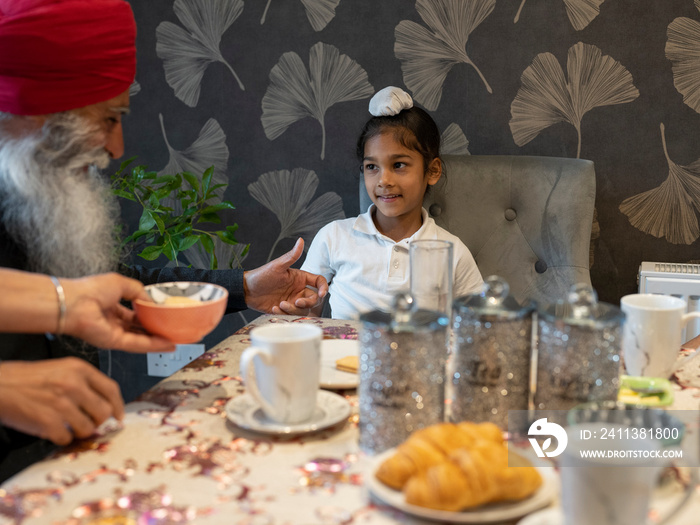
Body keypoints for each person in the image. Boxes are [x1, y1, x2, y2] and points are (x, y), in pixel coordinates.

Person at [0, 0, 326, 481]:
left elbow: (110, 285)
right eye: (109, 117)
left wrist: (243, 286)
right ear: (39, 103)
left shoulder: (26, 189)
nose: (117, 147)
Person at [287, 87, 483, 319]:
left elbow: (478, 327)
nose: (383, 180)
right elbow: (306, 314)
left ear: (432, 170)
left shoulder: (453, 252)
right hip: (344, 355)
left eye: (398, 165)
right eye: (372, 167)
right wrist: (300, 307)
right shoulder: (333, 237)